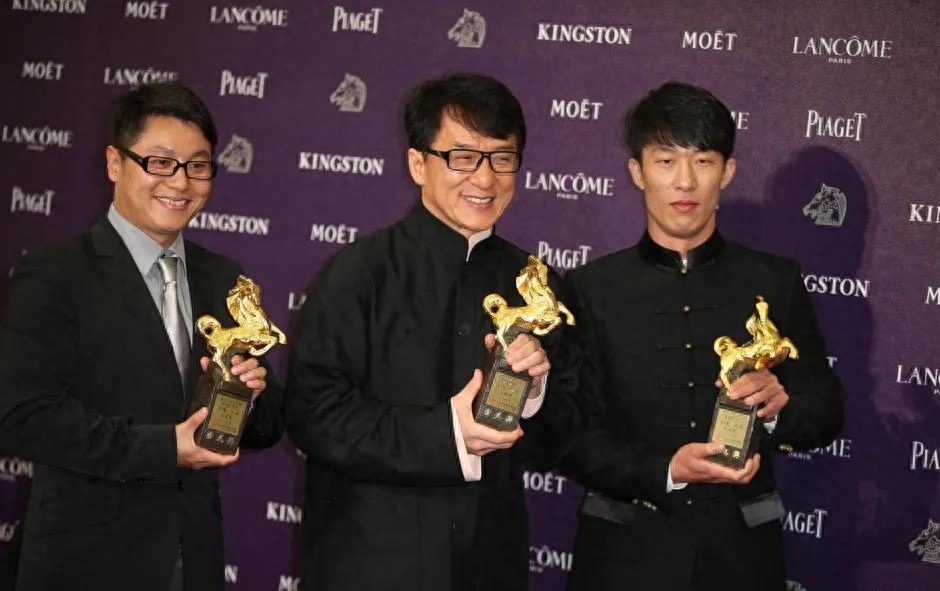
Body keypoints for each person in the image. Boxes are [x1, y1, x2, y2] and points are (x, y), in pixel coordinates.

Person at [285, 72, 569, 591]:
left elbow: (567, 433)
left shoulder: (537, 285)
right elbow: (314, 416)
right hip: (368, 563)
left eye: (502, 158)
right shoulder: (358, 273)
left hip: (488, 564)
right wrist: (447, 433)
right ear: (418, 164)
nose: (484, 179)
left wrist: (533, 393)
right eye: (462, 157)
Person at [557, 82, 844, 591]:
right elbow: (571, 438)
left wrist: (776, 412)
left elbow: (824, 415)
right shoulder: (589, 288)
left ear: (727, 172)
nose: (685, 181)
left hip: (741, 558)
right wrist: (666, 468)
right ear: (637, 172)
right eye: (666, 161)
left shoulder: (775, 282)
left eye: (703, 161)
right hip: (623, 559)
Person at [0, 82, 283, 591]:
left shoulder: (224, 277)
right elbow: (23, 416)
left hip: (193, 560)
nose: (180, 182)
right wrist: (164, 448)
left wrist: (251, 392)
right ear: (115, 163)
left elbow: (265, 428)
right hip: (86, 562)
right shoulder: (55, 274)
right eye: (160, 162)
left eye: (198, 166)